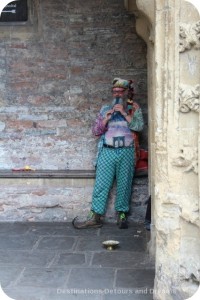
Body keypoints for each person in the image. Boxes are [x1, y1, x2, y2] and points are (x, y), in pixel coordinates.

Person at [72, 78, 144, 229]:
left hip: (127, 151)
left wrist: (124, 113)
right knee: (101, 184)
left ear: (126, 93)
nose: (117, 94)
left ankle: (122, 215)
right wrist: (106, 119)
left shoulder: (134, 108)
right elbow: (96, 131)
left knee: (124, 184)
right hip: (107, 150)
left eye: (120, 91)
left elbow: (138, 126)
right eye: (115, 91)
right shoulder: (105, 109)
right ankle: (95, 216)